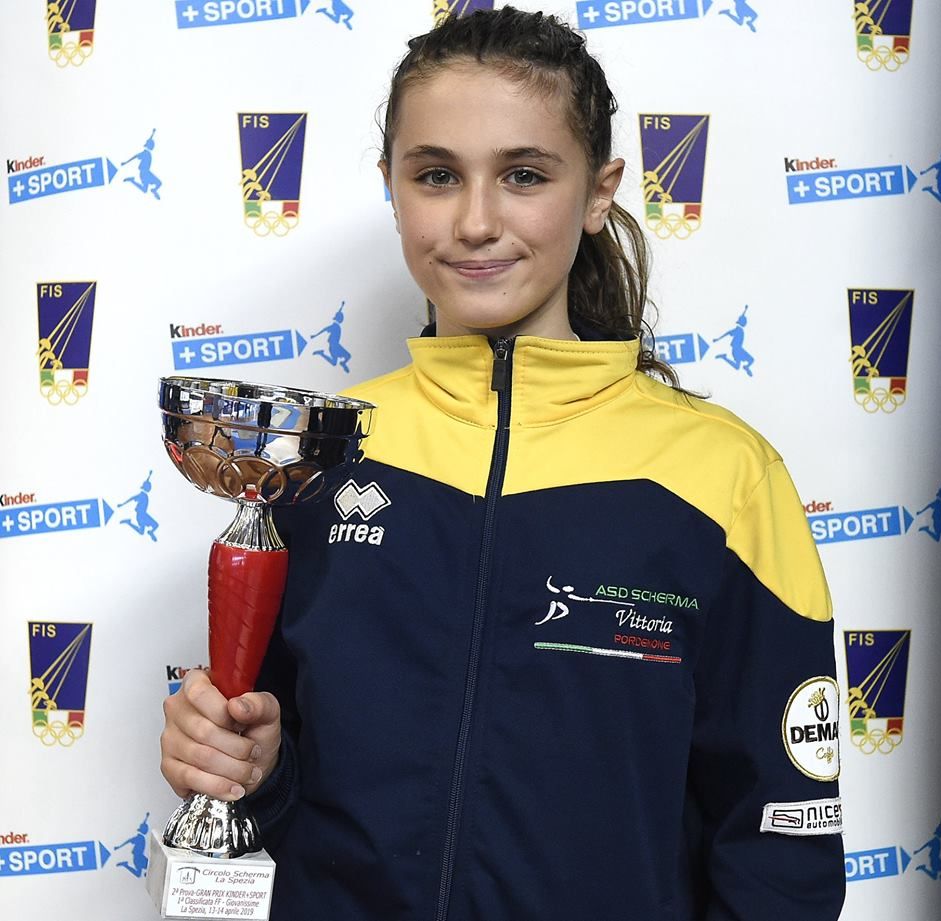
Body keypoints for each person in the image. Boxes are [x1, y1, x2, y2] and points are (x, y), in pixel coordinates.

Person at [160, 9, 845, 919]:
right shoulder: (319, 459)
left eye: (524, 175)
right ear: (392, 187)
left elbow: (781, 842)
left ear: (598, 193)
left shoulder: (725, 476)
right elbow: (278, 781)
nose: (476, 222)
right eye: (437, 175)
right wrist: (242, 760)